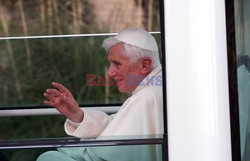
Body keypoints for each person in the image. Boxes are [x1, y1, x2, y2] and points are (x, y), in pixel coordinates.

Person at [37, 28, 163, 161]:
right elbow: (116, 126)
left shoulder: (146, 98)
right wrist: (77, 115)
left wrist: (66, 148)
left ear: (144, 65)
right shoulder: (157, 85)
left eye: (117, 64)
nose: (110, 73)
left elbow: (99, 156)